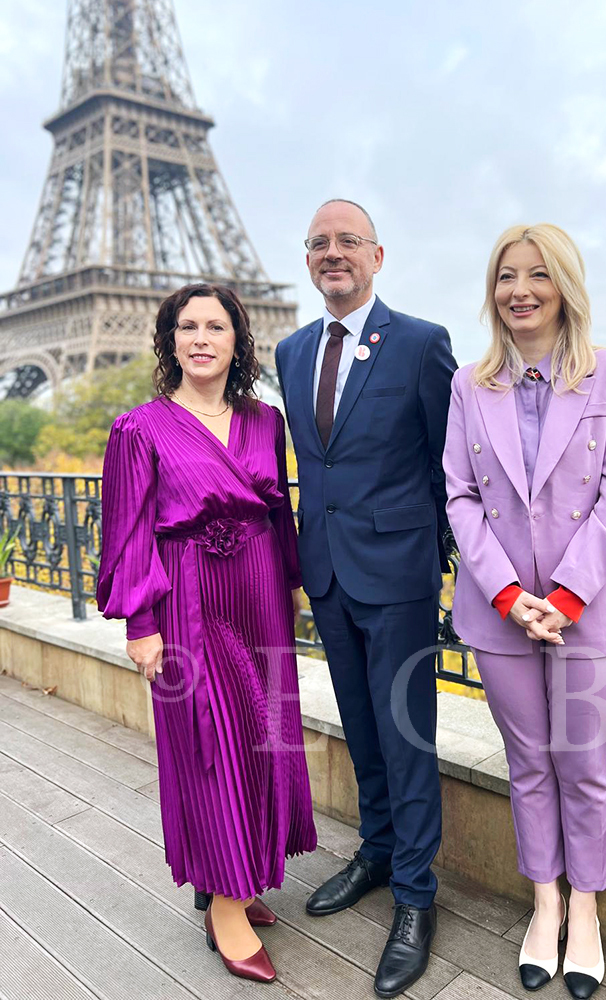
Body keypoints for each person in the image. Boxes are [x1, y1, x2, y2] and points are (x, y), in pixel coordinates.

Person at [443, 224, 606, 998]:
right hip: (499, 610)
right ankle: (545, 903)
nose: (520, 290)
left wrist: (563, 598)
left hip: (589, 611)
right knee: (528, 761)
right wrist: (506, 594)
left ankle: (585, 909)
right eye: (506, 275)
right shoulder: (469, 385)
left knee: (582, 763)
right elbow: (459, 497)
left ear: (564, 286)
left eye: (537, 274)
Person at [96, 283, 316, 985]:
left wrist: (290, 587)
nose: (200, 338)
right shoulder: (138, 428)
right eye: (186, 326)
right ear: (170, 340)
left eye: (214, 327)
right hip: (187, 597)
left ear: (235, 340)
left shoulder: (265, 420)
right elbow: (129, 529)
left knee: (263, 735)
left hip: (260, 593)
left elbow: (278, 514)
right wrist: (141, 622)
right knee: (208, 745)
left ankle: (242, 875)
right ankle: (224, 901)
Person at [275, 199, 457, 998]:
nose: (333, 253)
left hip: (398, 576)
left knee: (406, 734)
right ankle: (378, 853)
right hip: (326, 571)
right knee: (360, 727)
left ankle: (416, 895)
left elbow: (450, 463)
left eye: (347, 241)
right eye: (319, 243)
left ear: (376, 256)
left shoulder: (419, 342)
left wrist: (434, 558)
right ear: (307, 259)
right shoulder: (290, 351)